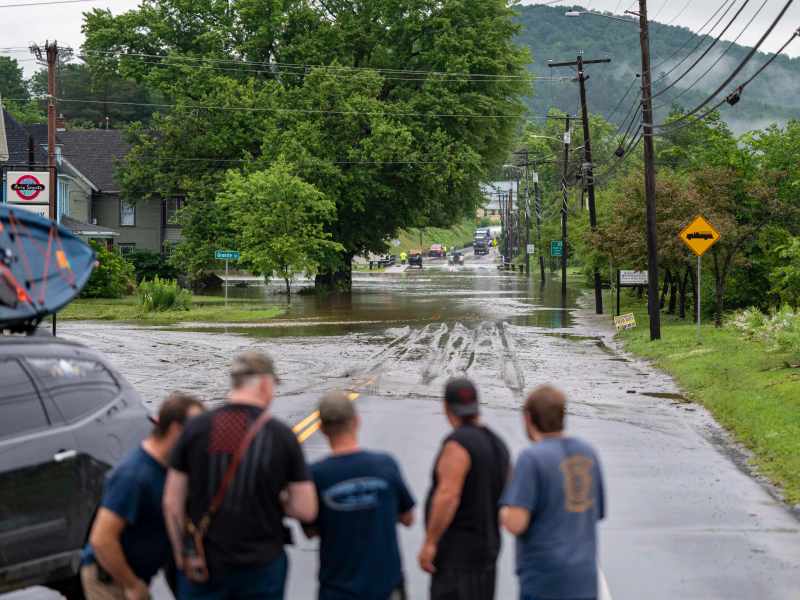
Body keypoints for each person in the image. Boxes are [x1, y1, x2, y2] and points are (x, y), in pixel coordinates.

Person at [164, 351, 317, 600]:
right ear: (266, 384)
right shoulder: (280, 436)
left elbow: (172, 502)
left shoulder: (196, 428)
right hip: (261, 567)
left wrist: (183, 554)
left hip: (205, 564)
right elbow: (306, 509)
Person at [81, 392, 205, 600]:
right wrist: (131, 585)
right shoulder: (133, 475)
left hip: (135, 576)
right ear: (176, 430)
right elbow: (101, 539)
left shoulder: (169, 469)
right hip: (110, 581)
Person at [306, 391, 415, 600]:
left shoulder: (316, 475)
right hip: (386, 588)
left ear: (321, 429)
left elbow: (311, 530)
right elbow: (408, 518)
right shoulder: (385, 465)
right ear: (357, 421)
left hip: (337, 590)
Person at [500, 385, 606, 600]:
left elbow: (515, 523)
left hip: (545, 579)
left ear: (528, 418)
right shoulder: (587, 452)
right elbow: (598, 512)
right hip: (584, 577)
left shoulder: (531, 459)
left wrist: (502, 507)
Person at [419, 377, 510, 600]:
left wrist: (430, 543)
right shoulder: (499, 444)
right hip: (487, 552)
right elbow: (508, 495)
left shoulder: (457, 444)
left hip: (458, 558)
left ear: (446, 407)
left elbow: (448, 495)